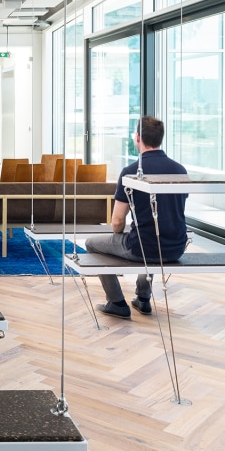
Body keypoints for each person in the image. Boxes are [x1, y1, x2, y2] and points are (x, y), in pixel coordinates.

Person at [83, 116, 187, 319]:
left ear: (138, 137)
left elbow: (117, 222)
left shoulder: (131, 172)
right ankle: (143, 298)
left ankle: (116, 302)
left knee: (92, 244)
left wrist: (118, 234)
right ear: (160, 139)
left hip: (143, 248)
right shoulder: (180, 170)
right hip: (176, 247)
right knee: (152, 234)